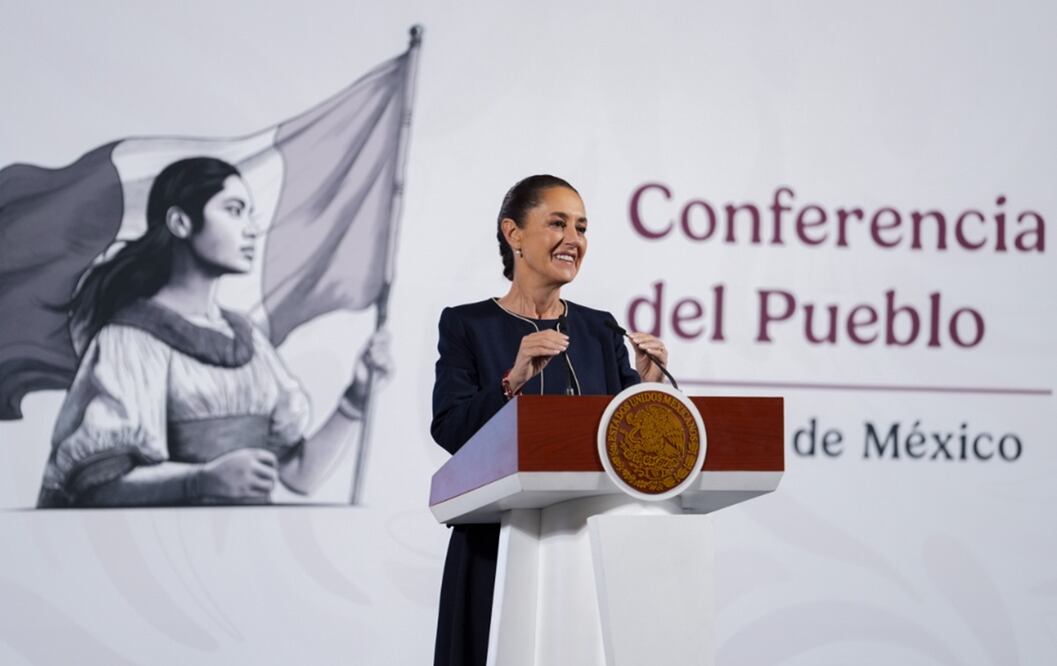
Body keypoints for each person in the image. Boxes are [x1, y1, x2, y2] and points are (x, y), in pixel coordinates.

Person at [37, 156, 388, 507]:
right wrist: (201, 480)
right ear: (180, 222)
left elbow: (300, 474)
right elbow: (97, 487)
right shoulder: (131, 339)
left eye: (250, 213)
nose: (251, 228)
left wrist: (355, 397)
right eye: (234, 211)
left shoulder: (247, 339)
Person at [430, 175, 669, 666]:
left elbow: (622, 444)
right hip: (494, 543)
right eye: (557, 223)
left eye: (581, 227)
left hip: (586, 543)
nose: (574, 239)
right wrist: (512, 380)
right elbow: (451, 428)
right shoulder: (466, 324)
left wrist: (646, 389)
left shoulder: (599, 328)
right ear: (513, 234)